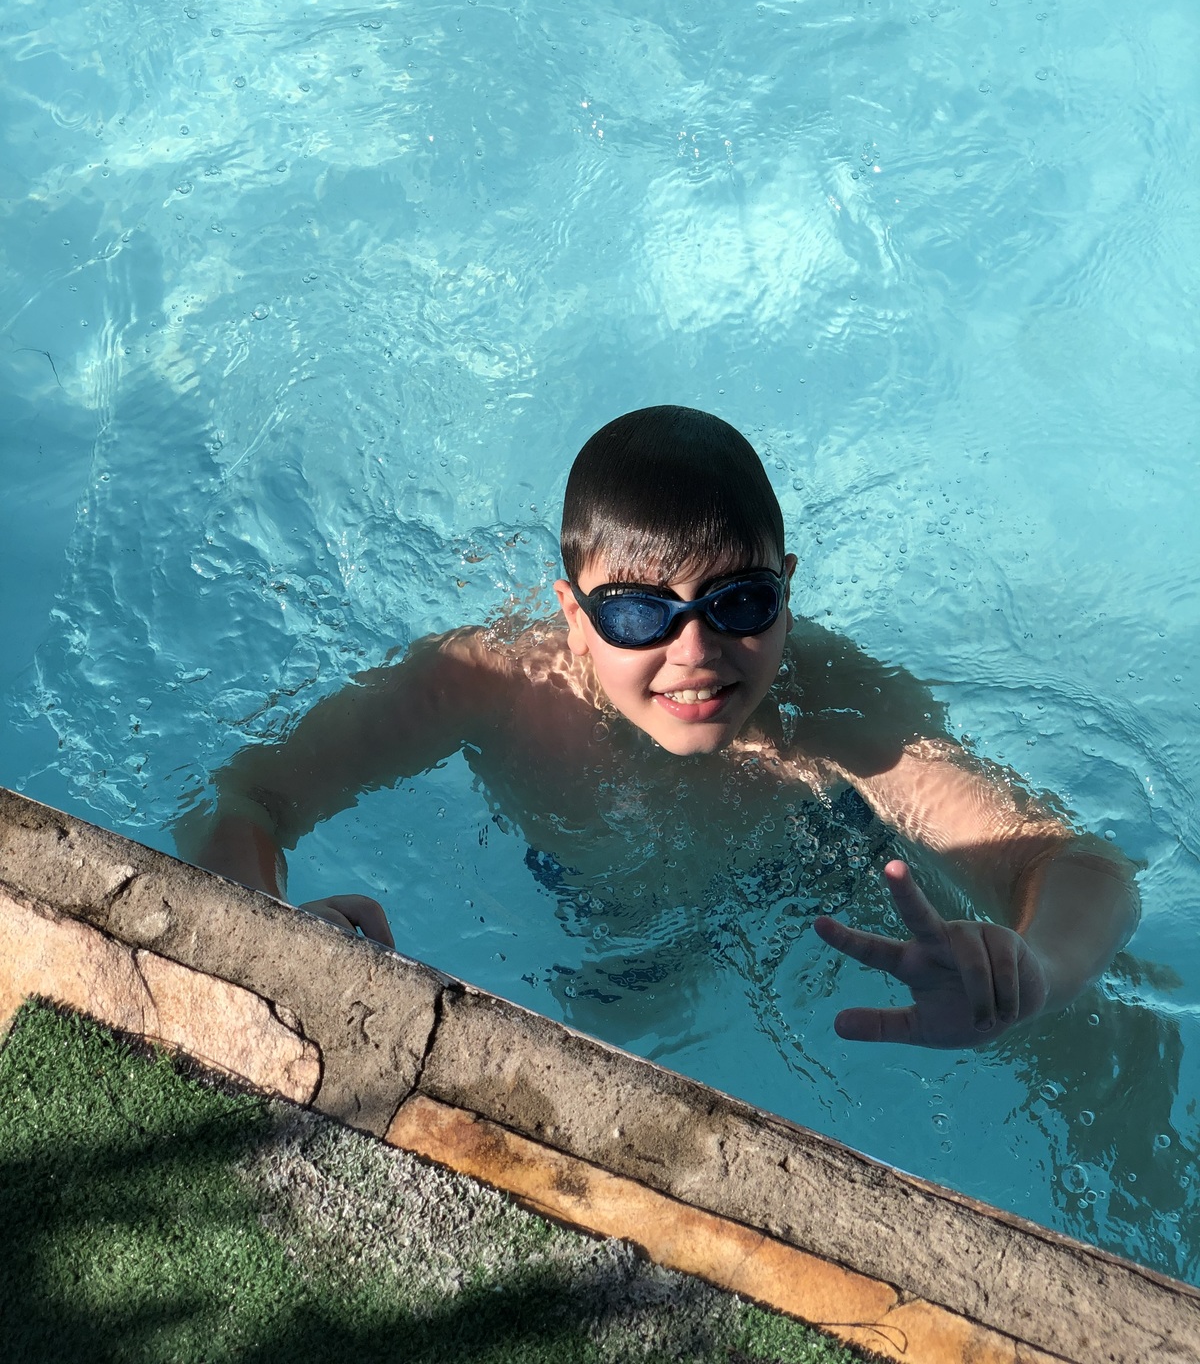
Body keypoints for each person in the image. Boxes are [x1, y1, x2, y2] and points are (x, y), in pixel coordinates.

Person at [180, 406, 1139, 1049]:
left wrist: (1033, 970)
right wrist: (272, 934)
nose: (696, 652)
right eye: (640, 612)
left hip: (805, 872)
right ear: (571, 613)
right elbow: (240, 797)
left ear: (788, 593)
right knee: (613, 1027)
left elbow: (1076, 865)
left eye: (740, 602)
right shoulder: (485, 685)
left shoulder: (833, 707)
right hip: (603, 917)